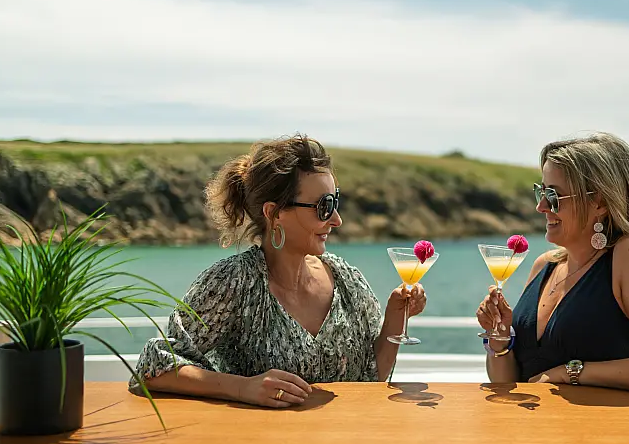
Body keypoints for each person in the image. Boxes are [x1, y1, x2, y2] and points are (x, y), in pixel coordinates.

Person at [129, 134, 426, 408]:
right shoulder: (233, 282)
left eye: (335, 202)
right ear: (274, 213)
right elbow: (154, 368)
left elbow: (371, 379)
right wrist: (243, 388)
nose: (337, 219)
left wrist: (395, 318)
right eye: (323, 206)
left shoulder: (348, 280)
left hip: (342, 443)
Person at [476, 132, 629, 395]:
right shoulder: (544, 266)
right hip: (530, 422)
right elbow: (507, 383)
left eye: (553, 195)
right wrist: (499, 340)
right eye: (541, 192)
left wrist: (568, 373)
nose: (541, 206)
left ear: (599, 202)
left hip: (600, 422)